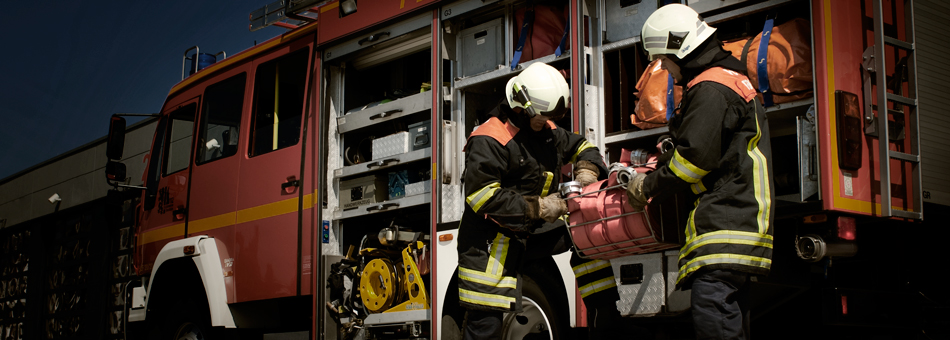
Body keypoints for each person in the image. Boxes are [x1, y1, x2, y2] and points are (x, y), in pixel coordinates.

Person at [626, 4, 776, 340]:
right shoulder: (727, 79)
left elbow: (693, 160)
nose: (662, 67)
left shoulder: (710, 89)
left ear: (681, 48)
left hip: (725, 224)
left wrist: (646, 185)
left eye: (664, 59)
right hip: (739, 223)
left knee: (713, 315)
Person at [456, 62, 623, 339]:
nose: (545, 123)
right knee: (486, 325)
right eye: (540, 117)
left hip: (531, 231)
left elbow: (582, 145)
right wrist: (541, 207)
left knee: (583, 235)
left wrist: (587, 169)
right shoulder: (489, 139)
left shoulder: (544, 129)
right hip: (491, 241)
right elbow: (482, 197)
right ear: (520, 105)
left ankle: (607, 323)